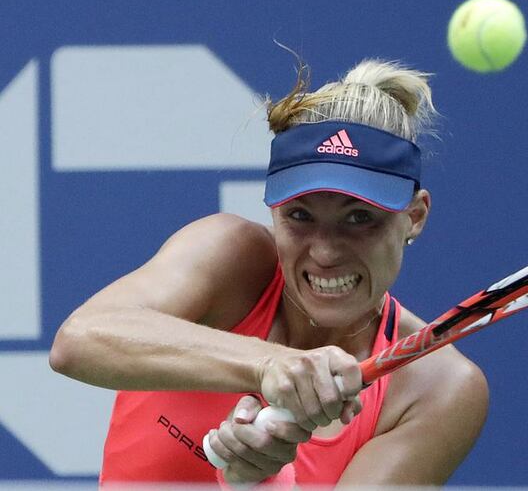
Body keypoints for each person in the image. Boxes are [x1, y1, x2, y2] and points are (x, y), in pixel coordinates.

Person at [49, 58, 489, 488]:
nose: (325, 251)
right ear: (273, 211)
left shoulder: (435, 389)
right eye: (300, 215)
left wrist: (254, 481)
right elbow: (79, 340)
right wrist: (270, 364)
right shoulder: (229, 255)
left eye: (359, 218)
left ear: (414, 217)